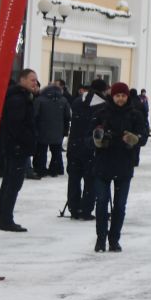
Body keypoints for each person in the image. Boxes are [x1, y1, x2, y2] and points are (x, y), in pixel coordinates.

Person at [89, 80, 148, 252]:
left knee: (120, 206)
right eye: (117, 96)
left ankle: (114, 239)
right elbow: (88, 136)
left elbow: (143, 136)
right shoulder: (101, 113)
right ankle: (101, 239)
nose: (120, 99)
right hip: (103, 165)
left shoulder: (135, 114)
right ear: (112, 96)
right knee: (101, 204)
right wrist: (97, 140)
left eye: (123, 95)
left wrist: (135, 139)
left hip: (124, 165)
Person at [0, 69, 40, 232]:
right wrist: (26, 140)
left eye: (35, 80)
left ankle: (2, 216)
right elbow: (16, 125)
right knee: (13, 183)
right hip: (16, 147)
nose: (35, 83)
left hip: (15, 146)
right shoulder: (18, 99)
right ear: (22, 80)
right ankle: (6, 218)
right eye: (31, 80)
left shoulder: (22, 97)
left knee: (9, 182)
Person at [64, 78, 106, 220]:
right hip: (90, 144)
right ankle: (86, 209)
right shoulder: (102, 105)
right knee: (90, 179)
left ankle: (74, 208)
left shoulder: (77, 100)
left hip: (74, 143)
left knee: (74, 178)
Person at [34, 78, 70, 176]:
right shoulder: (63, 100)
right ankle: (54, 170)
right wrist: (65, 130)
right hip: (58, 130)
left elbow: (35, 115)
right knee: (56, 151)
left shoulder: (40, 99)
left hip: (42, 129)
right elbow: (67, 116)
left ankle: (40, 169)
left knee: (41, 150)